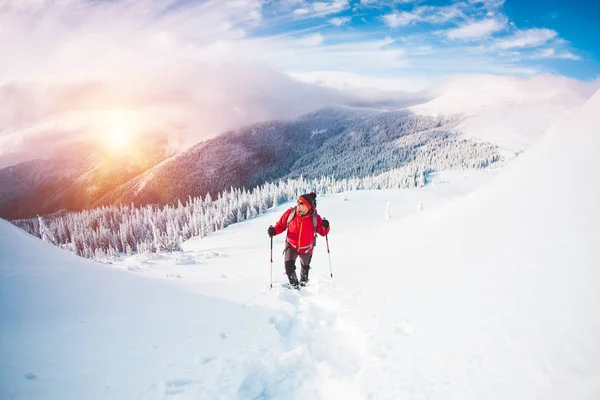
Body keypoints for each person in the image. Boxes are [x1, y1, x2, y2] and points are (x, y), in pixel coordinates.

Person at [267, 192, 330, 288]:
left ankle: (303, 282)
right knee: (289, 268)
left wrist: (326, 226)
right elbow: (280, 225)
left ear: (308, 206)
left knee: (305, 268)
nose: (298, 206)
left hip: (307, 248)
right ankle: (294, 285)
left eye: (302, 204)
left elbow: (323, 232)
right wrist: (274, 231)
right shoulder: (290, 213)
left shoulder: (315, 218)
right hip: (291, 246)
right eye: (298, 202)